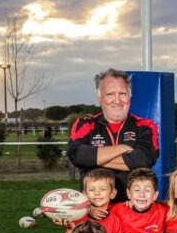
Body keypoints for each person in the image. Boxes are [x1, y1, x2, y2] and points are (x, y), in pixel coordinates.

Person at [68, 69, 159, 202]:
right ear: (100, 98)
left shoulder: (145, 126)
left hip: (134, 211)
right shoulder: (85, 124)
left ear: (130, 96)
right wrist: (122, 148)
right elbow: (77, 155)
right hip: (95, 212)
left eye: (122, 93)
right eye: (110, 94)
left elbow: (142, 160)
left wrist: (93, 161)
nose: (117, 100)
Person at [61, 168, 123, 233]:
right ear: (84, 194)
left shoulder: (115, 220)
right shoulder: (78, 218)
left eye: (103, 189)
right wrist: (70, 229)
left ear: (112, 193)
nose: (97, 193)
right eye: (92, 190)